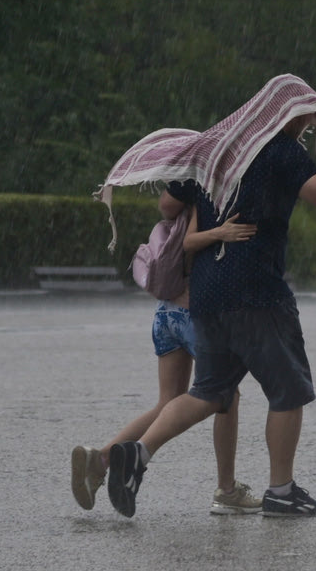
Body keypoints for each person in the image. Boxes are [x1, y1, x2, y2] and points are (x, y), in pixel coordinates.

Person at [105, 84, 316, 518]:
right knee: (288, 389)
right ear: (287, 115)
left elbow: (168, 203)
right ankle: (281, 491)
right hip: (257, 291)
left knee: (209, 392)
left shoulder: (212, 148)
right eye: (305, 120)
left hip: (205, 292)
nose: (305, 129)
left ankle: (137, 456)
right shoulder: (279, 149)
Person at [70, 193, 261, 514]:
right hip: (192, 316)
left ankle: (100, 460)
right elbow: (191, 244)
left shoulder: (179, 203)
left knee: (168, 401)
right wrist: (222, 233)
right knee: (226, 394)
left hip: (165, 313)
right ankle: (227, 491)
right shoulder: (209, 197)